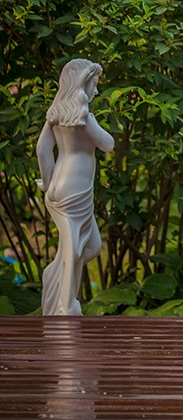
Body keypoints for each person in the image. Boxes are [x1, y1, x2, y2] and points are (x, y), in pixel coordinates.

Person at [36, 59, 114, 316]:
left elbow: (42, 150)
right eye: (94, 84)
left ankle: (53, 275)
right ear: (81, 84)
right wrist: (94, 124)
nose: (96, 91)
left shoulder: (55, 115)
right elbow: (108, 144)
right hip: (75, 190)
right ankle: (66, 306)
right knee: (73, 248)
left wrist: (48, 181)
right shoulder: (84, 117)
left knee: (91, 247)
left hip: (59, 186)